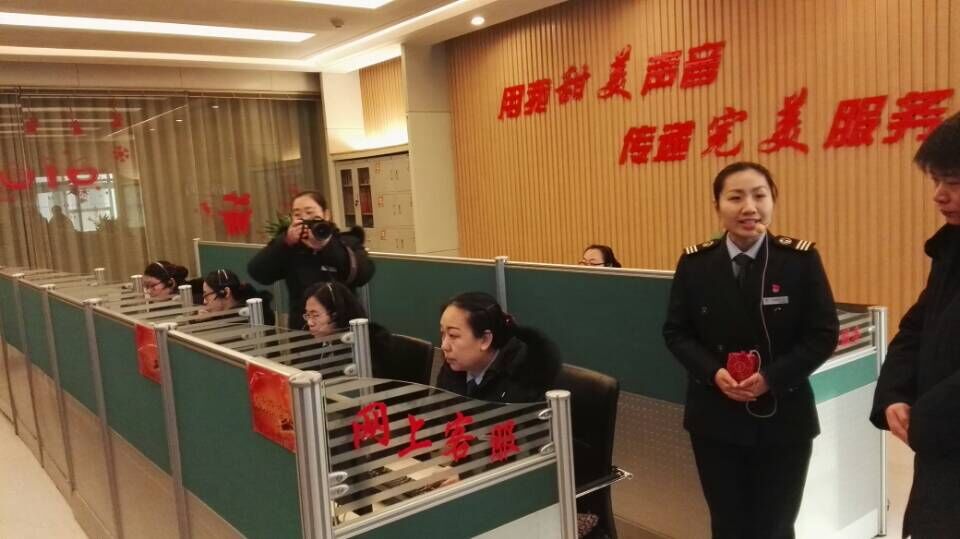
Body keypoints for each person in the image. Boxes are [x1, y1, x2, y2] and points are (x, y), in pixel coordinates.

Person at [662, 161, 839, 539]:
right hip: (715, 414)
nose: (749, 207)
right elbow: (676, 332)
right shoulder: (696, 263)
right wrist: (713, 372)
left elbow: (823, 335)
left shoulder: (798, 260)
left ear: (773, 200)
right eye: (735, 197)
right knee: (727, 523)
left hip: (784, 415)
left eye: (760, 196)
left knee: (776, 525)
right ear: (717, 205)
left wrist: (771, 378)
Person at [870, 111, 960, 539]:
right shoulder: (951, 249)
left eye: (953, 183)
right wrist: (894, 395)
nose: (939, 196)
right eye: (936, 181)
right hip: (941, 455)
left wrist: (925, 416)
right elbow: (916, 328)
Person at [248, 191, 374, 328]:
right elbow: (258, 273)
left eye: (309, 212)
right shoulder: (290, 248)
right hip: (304, 325)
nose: (304, 218)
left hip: (343, 323)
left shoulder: (346, 242)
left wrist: (326, 246)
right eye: (297, 214)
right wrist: (285, 242)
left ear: (326, 215)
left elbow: (363, 274)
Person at [437, 292, 562, 403]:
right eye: (443, 333)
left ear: (485, 340)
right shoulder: (453, 368)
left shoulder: (524, 379)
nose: (444, 346)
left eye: (453, 335)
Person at [302, 281, 415, 382]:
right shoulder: (316, 344)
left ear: (336, 315)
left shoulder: (369, 346)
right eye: (307, 315)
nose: (310, 322)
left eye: (315, 315)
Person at [199, 269, 276, 326]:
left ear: (226, 292)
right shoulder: (230, 318)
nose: (204, 301)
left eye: (206, 295)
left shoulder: (242, 322)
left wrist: (206, 323)